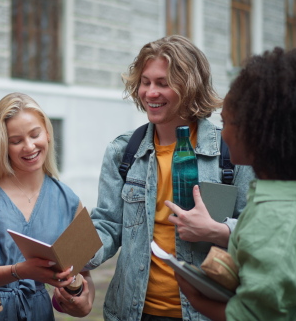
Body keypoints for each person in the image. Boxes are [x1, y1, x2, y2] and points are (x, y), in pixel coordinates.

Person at [84, 35, 255, 321]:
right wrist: (68, 256)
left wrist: (217, 230)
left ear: (190, 87)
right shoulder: (123, 151)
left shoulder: (231, 151)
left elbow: (260, 232)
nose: (150, 92)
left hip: (206, 312)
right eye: (146, 82)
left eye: (163, 83)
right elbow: (107, 223)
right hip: (132, 312)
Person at [174, 47, 296, 320]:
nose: (223, 133)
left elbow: (251, 315)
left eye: (227, 122)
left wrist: (196, 298)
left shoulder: (273, 218)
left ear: (258, 131)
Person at [0, 93, 95, 320]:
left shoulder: (68, 200)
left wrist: (79, 298)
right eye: (16, 141)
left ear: (48, 134)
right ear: (2, 145)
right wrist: (19, 271)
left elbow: (83, 278)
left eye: (35, 134)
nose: (29, 147)